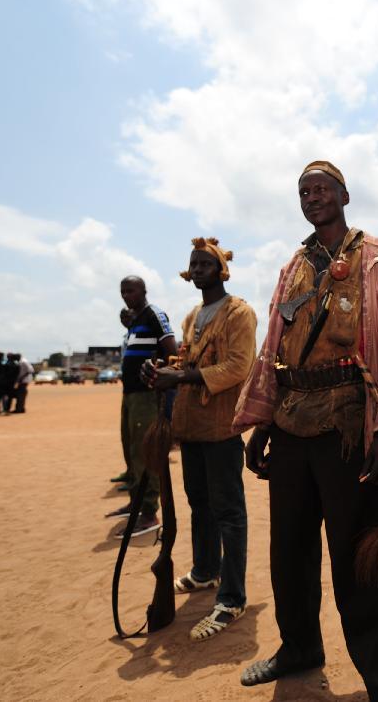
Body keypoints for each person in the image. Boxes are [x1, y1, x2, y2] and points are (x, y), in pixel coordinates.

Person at [234, 160, 378, 700]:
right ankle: (299, 648)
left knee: (359, 559)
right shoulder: (293, 266)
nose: (312, 197)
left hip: (347, 426)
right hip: (291, 423)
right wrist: (263, 423)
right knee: (289, 551)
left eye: (322, 189)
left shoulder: (376, 258)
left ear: (344, 196)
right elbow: (274, 346)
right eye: (304, 191)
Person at [141, 237, 256, 642]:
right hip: (190, 426)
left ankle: (233, 596)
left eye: (206, 263)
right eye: (194, 264)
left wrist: (183, 376)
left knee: (228, 510)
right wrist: (162, 369)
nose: (199, 269)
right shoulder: (193, 315)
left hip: (222, 427)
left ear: (221, 270)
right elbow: (186, 360)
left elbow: (239, 366)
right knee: (199, 503)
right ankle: (207, 570)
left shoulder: (239, 312)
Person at [105, 276, 177, 537]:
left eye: (131, 290)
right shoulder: (134, 321)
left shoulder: (153, 315)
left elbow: (173, 350)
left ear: (144, 291)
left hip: (147, 395)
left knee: (146, 452)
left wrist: (164, 380)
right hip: (130, 395)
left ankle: (149, 512)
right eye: (122, 291)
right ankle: (136, 502)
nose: (126, 295)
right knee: (131, 449)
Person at [110, 308, 136, 487]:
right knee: (126, 435)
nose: (125, 319)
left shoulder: (140, 335)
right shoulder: (126, 337)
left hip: (139, 390)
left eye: (128, 316)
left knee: (136, 438)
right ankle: (130, 471)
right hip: (127, 388)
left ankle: (135, 476)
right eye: (122, 317)